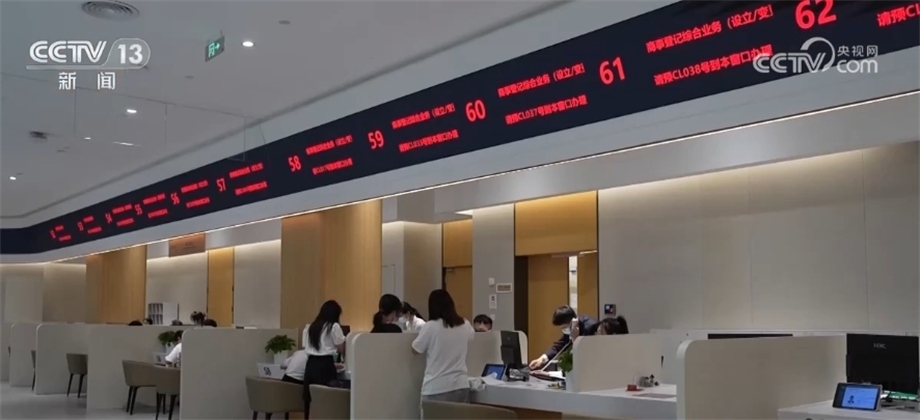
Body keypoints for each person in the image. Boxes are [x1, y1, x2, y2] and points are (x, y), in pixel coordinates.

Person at [411, 289, 475, 413]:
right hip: (461, 385)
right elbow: (471, 337)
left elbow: (415, 349)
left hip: (436, 387)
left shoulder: (430, 326)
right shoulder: (465, 324)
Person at [303, 300, 346, 417]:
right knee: (327, 400)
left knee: (310, 399)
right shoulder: (334, 326)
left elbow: (308, 347)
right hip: (325, 366)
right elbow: (341, 348)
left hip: (310, 365)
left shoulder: (310, 327)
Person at [528, 306, 599, 370]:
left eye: (564, 327)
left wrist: (575, 339)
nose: (564, 330)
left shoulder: (591, 326)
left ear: (573, 321)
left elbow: (588, 353)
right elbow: (560, 345)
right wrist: (542, 359)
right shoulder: (571, 327)